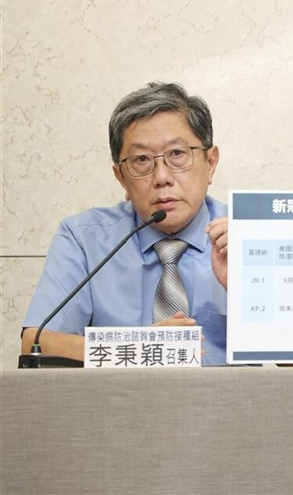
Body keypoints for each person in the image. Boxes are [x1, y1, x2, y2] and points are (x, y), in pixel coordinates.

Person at [21, 82, 230, 365]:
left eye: (178, 154)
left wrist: (252, 290)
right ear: (121, 178)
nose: (161, 177)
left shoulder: (247, 234)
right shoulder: (84, 239)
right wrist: (145, 347)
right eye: (142, 159)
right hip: (118, 406)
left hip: (227, 406)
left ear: (211, 162)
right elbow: (37, 344)